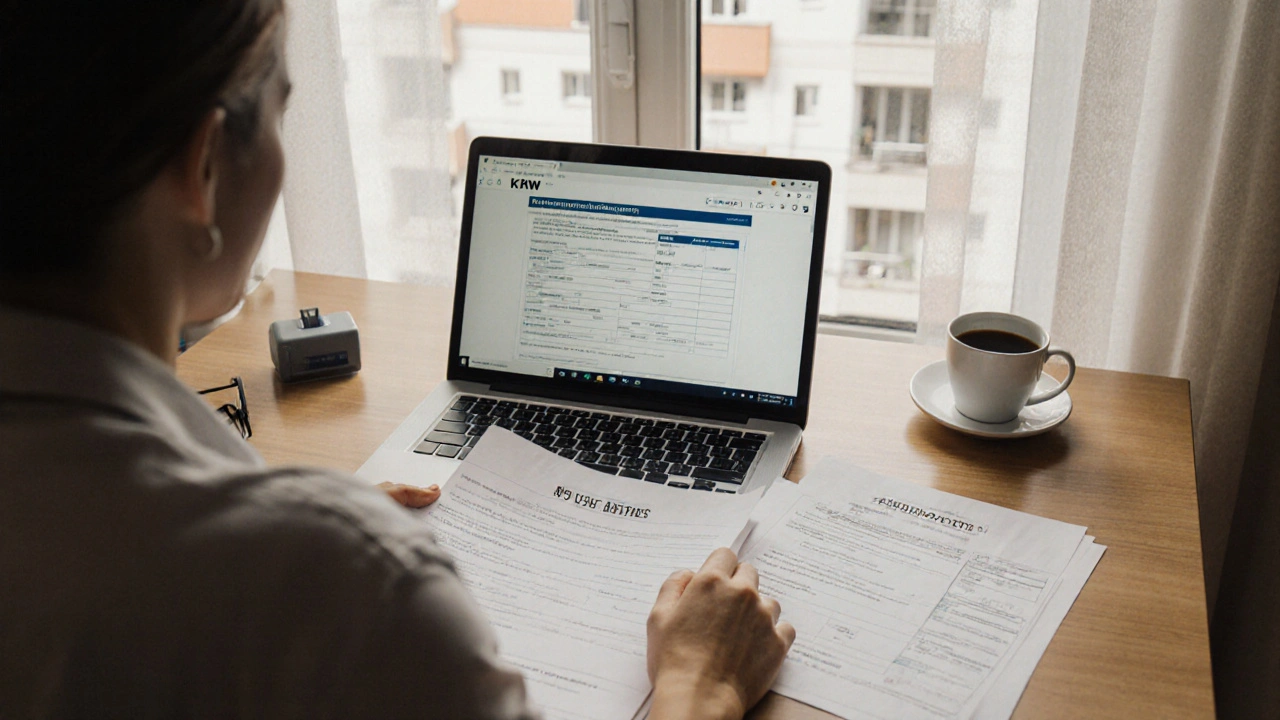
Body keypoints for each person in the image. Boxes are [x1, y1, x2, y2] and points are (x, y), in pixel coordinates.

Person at [0, 2, 796, 719]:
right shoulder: (354, 592)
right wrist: (700, 683)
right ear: (201, 167)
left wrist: (311, 536)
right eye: (281, 116)